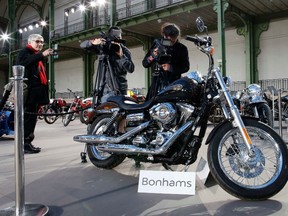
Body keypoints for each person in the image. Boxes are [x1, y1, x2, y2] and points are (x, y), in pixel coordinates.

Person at [16, 34, 53, 154]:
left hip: (36, 94)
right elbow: (22, 63)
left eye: (42, 42)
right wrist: (41, 55)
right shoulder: (25, 52)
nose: (40, 44)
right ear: (30, 41)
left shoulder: (36, 55)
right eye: (37, 41)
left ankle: (28, 142)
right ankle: (24, 144)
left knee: (32, 120)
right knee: (28, 120)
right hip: (29, 94)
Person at [80, 26, 135, 102]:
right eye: (114, 39)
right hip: (103, 91)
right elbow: (83, 45)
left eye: (118, 39)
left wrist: (121, 56)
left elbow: (131, 69)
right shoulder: (105, 49)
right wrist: (93, 42)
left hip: (119, 91)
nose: (116, 42)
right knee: (103, 113)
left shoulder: (125, 51)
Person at [142, 22, 190, 99]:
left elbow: (186, 67)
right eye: (169, 40)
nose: (171, 42)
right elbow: (145, 63)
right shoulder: (157, 43)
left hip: (174, 83)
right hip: (157, 83)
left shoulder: (182, 48)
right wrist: (152, 56)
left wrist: (171, 67)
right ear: (164, 36)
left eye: (174, 40)